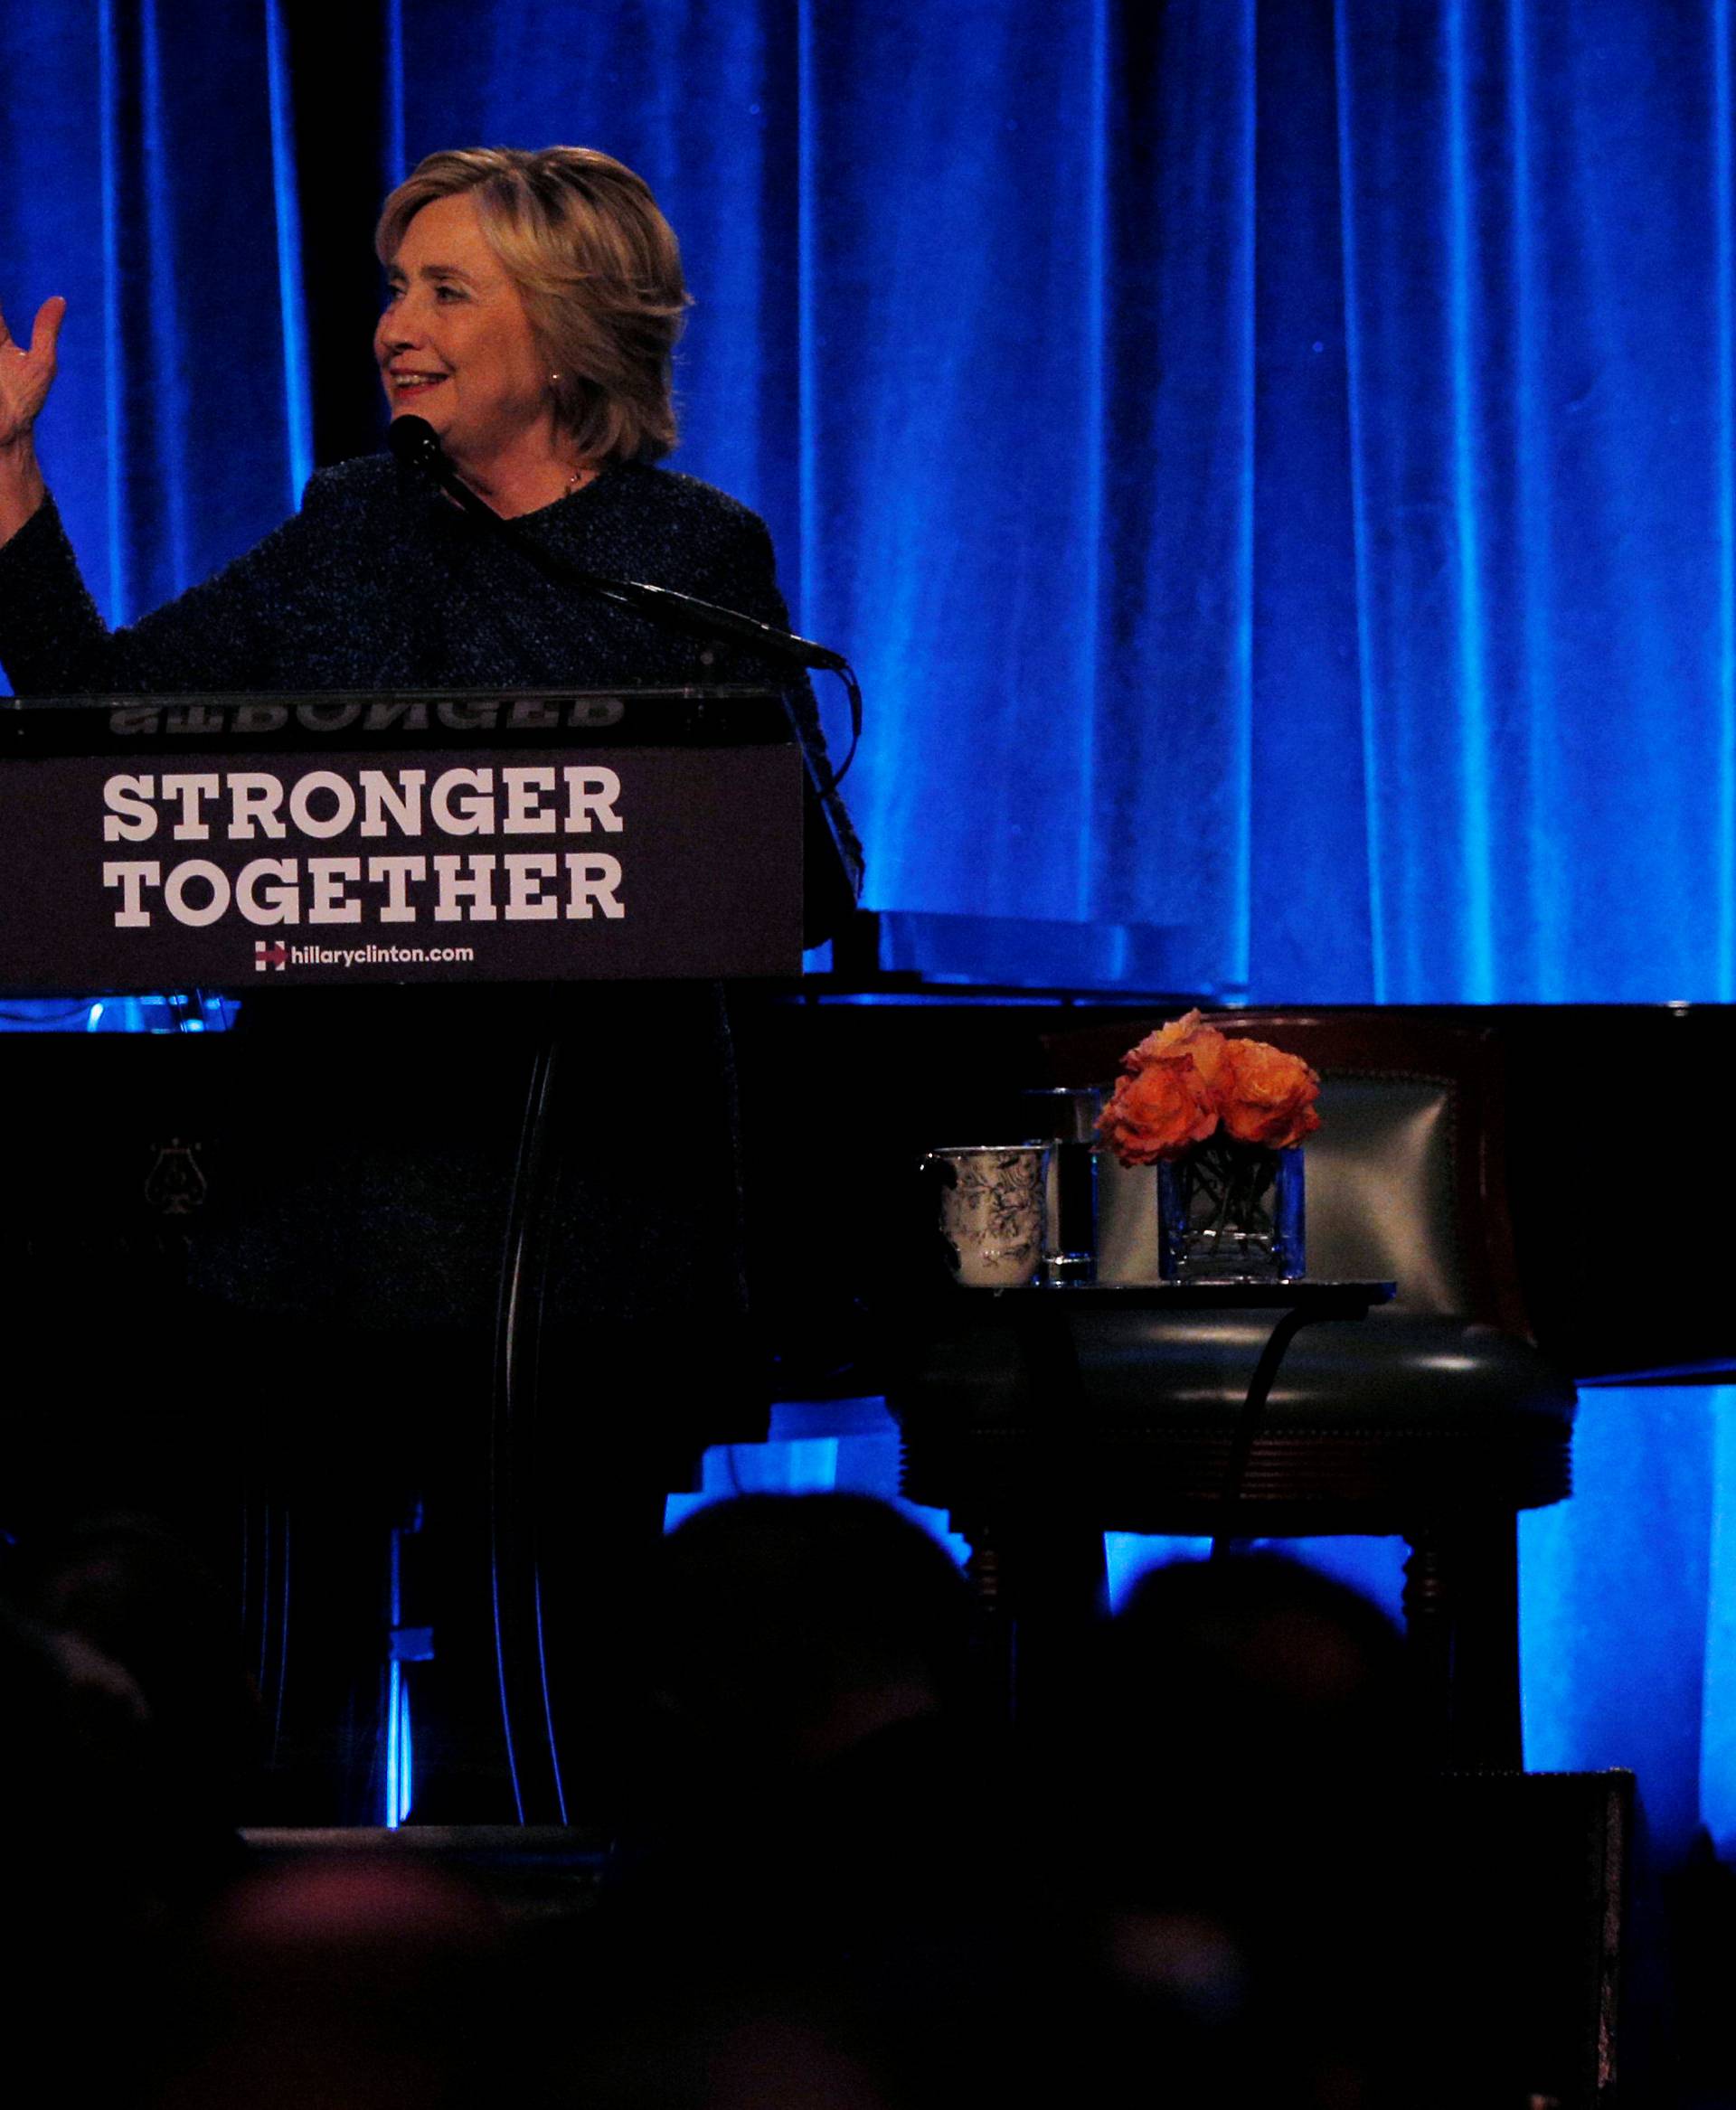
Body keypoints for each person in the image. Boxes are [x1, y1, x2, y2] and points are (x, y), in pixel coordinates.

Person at [0, 146, 856, 1823]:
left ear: (571, 328)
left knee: (548, 1685)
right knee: (282, 1688)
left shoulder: (687, 552)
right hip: (314, 1199)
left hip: (572, 1217)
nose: (397, 324)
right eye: (398, 287)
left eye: (446, 289)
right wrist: (13, 480)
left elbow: (793, 879)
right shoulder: (349, 525)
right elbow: (101, 721)